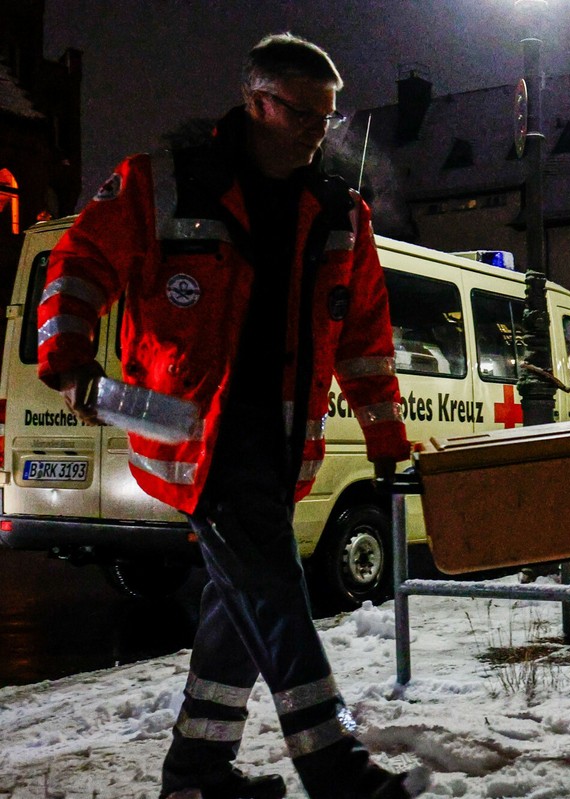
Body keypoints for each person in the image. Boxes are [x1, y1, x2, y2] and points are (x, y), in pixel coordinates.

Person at [38, 33, 427, 799]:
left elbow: (366, 337)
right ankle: (339, 770)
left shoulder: (340, 212)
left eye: (330, 115)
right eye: (305, 112)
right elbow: (79, 263)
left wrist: (386, 436)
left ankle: (194, 774)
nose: (322, 129)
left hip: (281, 449)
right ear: (257, 102)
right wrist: (69, 359)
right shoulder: (164, 183)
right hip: (201, 442)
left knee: (238, 608)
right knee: (280, 608)